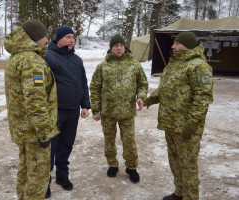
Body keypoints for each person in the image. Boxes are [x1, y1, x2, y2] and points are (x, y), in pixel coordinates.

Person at [144, 32, 213, 200]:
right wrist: (150, 100)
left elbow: (203, 97)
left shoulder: (199, 66)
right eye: (174, 43)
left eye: (177, 43)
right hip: (171, 124)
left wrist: (191, 124)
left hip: (186, 127)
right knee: (175, 162)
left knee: (187, 165)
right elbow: (165, 88)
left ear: (187, 45)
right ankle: (180, 193)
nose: (173, 46)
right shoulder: (174, 64)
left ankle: (190, 196)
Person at [4, 19, 59, 200]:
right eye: (43, 36)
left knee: (26, 169)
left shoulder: (17, 57)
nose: (46, 41)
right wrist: (44, 132)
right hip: (35, 132)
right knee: (38, 177)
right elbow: (35, 101)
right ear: (35, 37)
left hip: (23, 129)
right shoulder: (31, 61)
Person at [89, 34, 148, 183]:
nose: (119, 48)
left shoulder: (134, 65)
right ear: (111, 48)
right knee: (109, 140)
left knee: (129, 141)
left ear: (125, 47)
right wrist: (95, 110)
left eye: (121, 45)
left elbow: (142, 84)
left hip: (127, 112)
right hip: (108, 112)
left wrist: (141, 96)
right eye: (116, 46)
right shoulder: (103, 66)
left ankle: (131, 167)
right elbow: (95, 88)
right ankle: (112, 165)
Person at [44, 26, 91, 196]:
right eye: (68, 37)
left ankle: (62, 176)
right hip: (55, 111)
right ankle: (45, 182)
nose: (72, 40)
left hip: (73, 112)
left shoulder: (77, 60)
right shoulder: (48, 56)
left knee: (66, 145)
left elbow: (83, 83)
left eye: (73, 37)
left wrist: (85, 105)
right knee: (50, 147)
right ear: (58, 39)